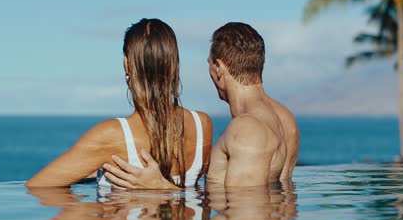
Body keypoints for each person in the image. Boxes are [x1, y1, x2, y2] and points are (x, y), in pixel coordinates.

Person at [101, 22, 299, 188]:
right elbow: (282, 201)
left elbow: (243, 214)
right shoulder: (285, 119)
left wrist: (161, 188)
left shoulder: (247, 130)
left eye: (209, 64)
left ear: (219, 68)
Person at [25, 18, 213, 188]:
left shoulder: (111, 135)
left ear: (127, 64)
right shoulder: (202, 125)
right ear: (174, 64)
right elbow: (199, 213)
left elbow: (36, 187)